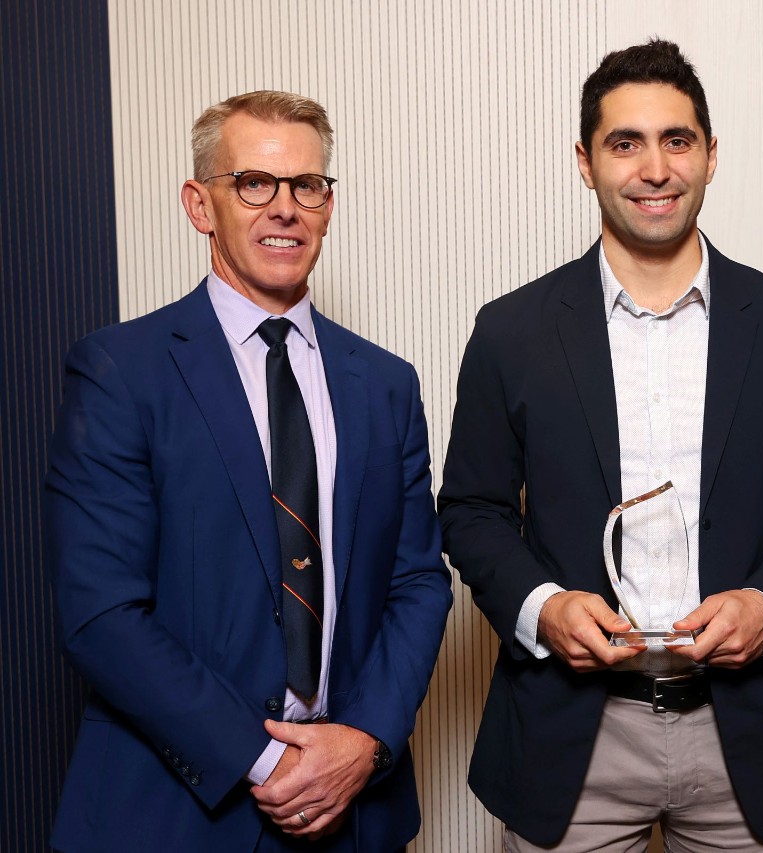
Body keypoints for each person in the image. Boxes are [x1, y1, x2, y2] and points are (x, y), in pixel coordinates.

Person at [439, 39, 763, 852]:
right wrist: (542, 607)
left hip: (747, 736)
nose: (654, 168)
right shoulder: (510, 332)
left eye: (677, 140)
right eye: (624, 143)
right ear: (586, 162)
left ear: (710, 155)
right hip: (570, 739)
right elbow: (472, 511)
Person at [46, 90, 453, 851]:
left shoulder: (386, 383)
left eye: (308, 185)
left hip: (355, 809)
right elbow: (100, 612)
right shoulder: (120, 372)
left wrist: (363, 739)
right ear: (201, 205)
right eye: (255, 184)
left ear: (328, 206)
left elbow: (419, 580)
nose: (285, 208)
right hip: (172, 815)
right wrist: (265, 759)